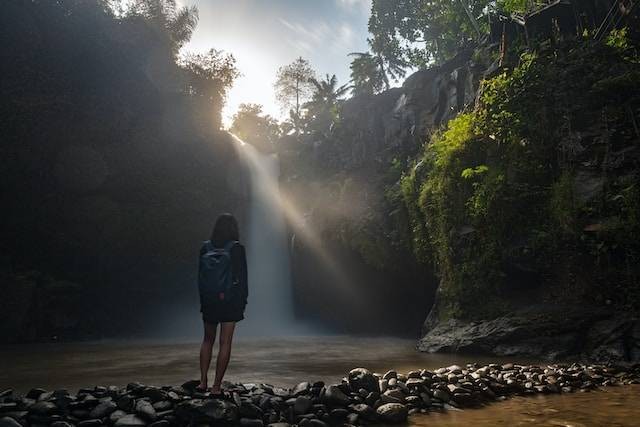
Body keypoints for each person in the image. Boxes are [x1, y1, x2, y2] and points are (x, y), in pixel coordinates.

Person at [197, 213, 248, 396]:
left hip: (209, 300)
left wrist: (203, 301)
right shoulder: (236, 248)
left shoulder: (205, 247)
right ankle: (216, 387)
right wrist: (242, 302)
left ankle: (203, 382)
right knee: (225, 342)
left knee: (207, 340)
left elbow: (199, 278)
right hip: (229, 301)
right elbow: (242, 279)